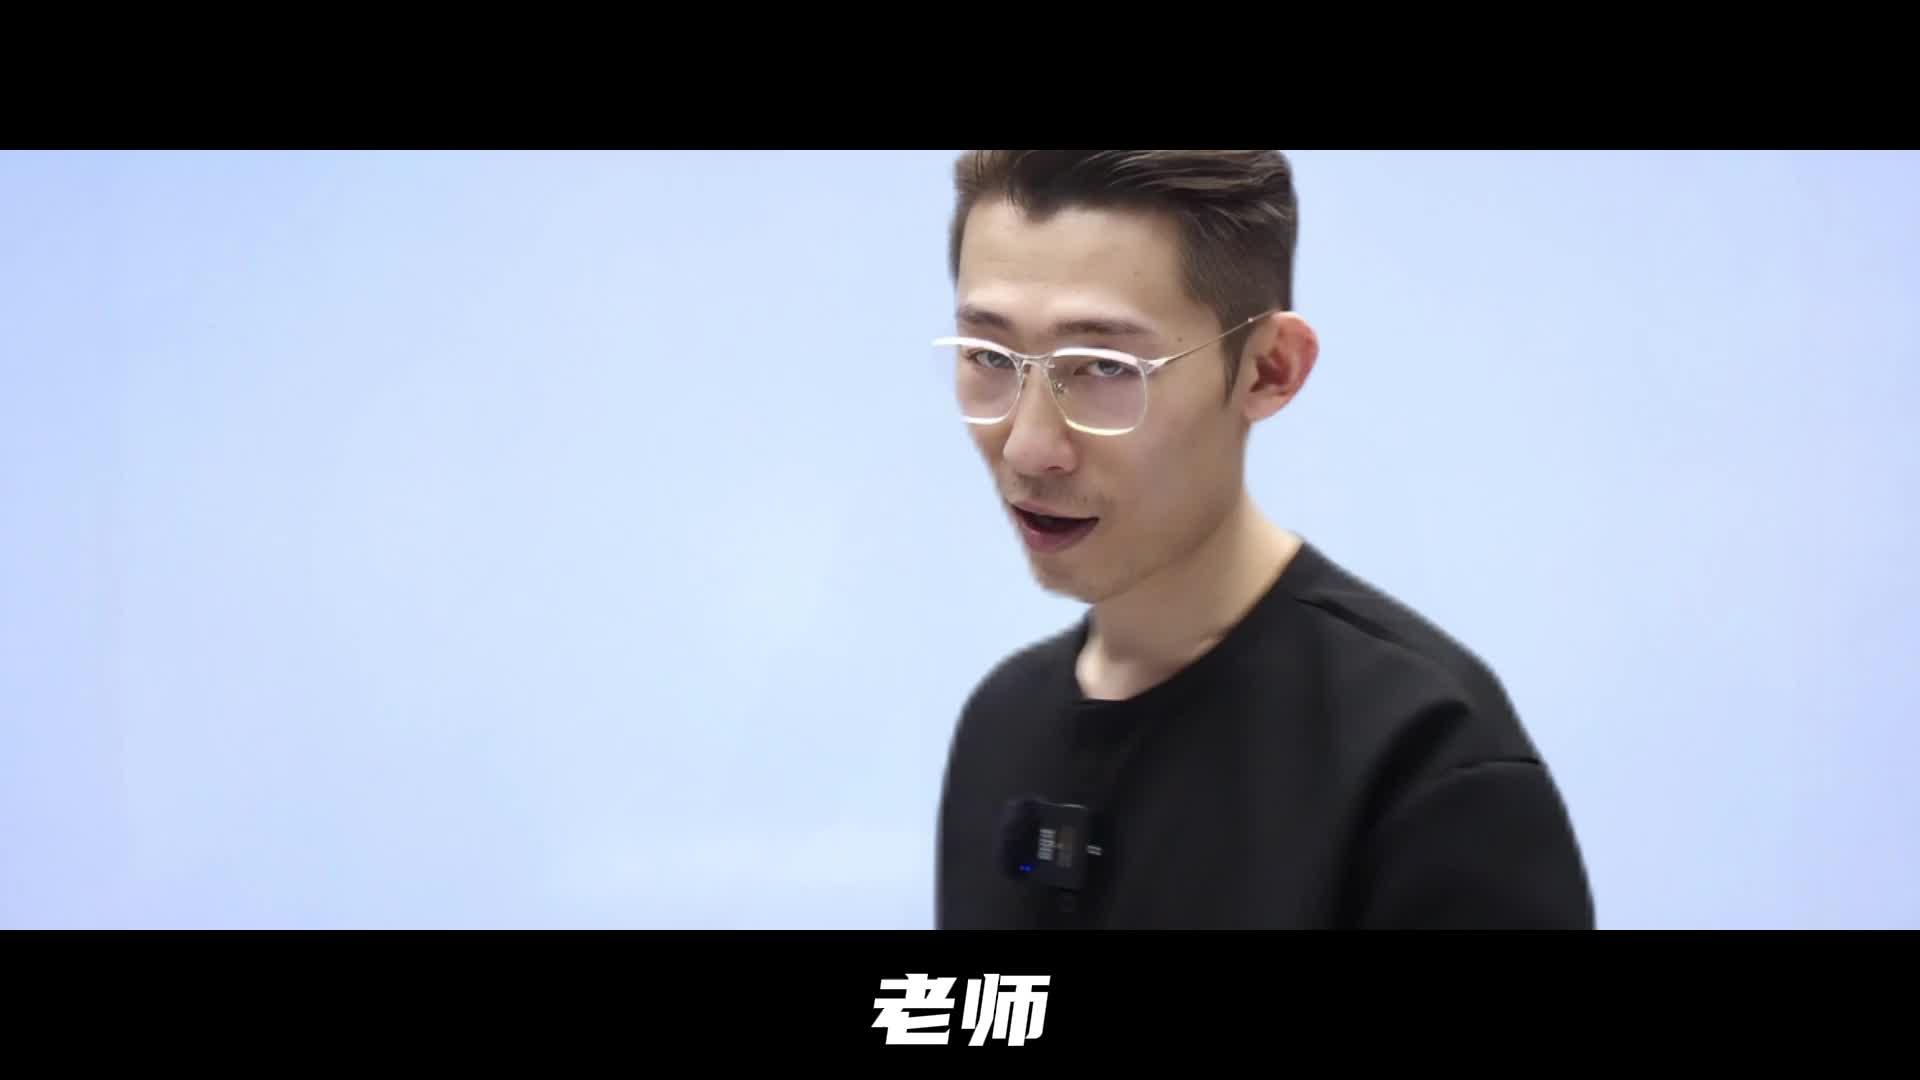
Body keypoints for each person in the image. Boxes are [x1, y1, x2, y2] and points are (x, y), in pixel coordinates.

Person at [932, 150, 1595, 930]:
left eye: (1105, 367)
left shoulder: (1423, 760)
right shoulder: (1000, 728)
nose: (1028, 446)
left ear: (1269, 369)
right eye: (989, 357)